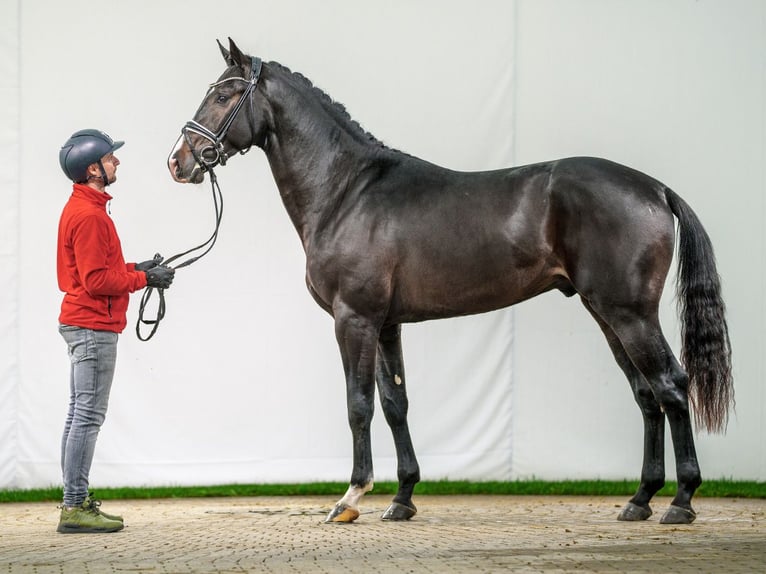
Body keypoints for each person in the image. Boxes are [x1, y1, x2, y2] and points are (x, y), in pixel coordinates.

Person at [56, 129, 175, 533]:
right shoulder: (90, 216)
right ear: (93, 169)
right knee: (87, 417)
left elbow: (101, 271)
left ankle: (75, 501)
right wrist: (145, 280)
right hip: (92, 326)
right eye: (110, 158)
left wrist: (139, 269)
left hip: (84, 323)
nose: (116, 162)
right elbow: (95, 281)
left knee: (79, 415)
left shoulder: (86, 208)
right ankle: (75, 507)